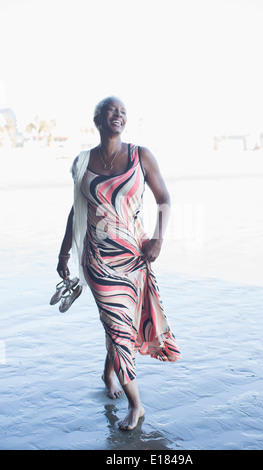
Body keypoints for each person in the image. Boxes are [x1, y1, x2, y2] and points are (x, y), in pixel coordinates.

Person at [57, 96, 181, 430]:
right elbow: (75, 211)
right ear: (97, 120)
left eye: (123, 111)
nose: (119, 114)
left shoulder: (141, 155)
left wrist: (159, 238)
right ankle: (136, 405)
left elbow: (164, 198)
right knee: (116, 324)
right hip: (97, 260)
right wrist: (63, 253)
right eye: (112, 110)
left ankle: (107, 373)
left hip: (133, 258)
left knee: (120, 325)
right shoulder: (83, 162)